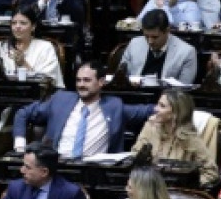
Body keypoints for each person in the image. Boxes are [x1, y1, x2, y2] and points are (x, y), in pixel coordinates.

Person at [13, 61, 153, 156]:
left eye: (87, 80)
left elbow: (145, 111)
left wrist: (166, 107)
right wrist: (20, 146)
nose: (81, 85)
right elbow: (23, 113)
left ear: (101, 82)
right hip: (57, 166)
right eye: (78, 80)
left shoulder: (114, 106)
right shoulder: (61, 100)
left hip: (93, 171)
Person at [130, 90, 217, 187]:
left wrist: (188, 185)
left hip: (176, 193)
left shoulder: (190, 138)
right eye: (157, 104)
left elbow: (211, 172)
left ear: (176, 113)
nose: (155, 109)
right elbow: (135, 155)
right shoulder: (151, 127)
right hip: (148, 188)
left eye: (162, 106)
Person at [119, 10, 198, 86]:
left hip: (167, 97)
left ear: (167, 31)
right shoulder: (135, 44)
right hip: (135, 94)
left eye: (155, 37)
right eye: (146, 36)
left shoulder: (187, 52)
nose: (150, 41)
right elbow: (121, 75)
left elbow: (184, 88)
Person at [0, 7, 64, 87]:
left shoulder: (45, 47)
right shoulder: (0, 47)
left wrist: (23, 63)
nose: (17, 27)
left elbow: (49, 81)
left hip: (35, 95)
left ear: (33, 26)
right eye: (14, 23)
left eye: (23, 23)